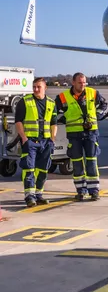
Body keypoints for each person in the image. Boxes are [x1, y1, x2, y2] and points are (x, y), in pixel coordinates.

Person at [55, 72, 108, 201]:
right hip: (74, 134)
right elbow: (55, 112)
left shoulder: (93, 93)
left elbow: (103, 104)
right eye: (80, 82)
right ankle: (81, 190)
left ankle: (94, 190)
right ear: (73, 82)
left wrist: (98, 114)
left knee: (92, 161)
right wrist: (63, 118)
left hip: (91, 133)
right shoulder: (63, 97)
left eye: (84, 82)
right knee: (77, 163)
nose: (83, 85)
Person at [14, 77, 57, 207]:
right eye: (34, 87)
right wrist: (24, 138)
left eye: (39, 87)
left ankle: (39, 195)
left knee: (43, 170)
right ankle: (29, 196)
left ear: (45, 88)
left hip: (46, 142)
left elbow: (54, 123)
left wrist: (52, 139)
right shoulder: (25, 102)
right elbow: (18, 121)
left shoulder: (51, 103)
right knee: (29, 169)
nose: (36, 89)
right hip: (30, 141)